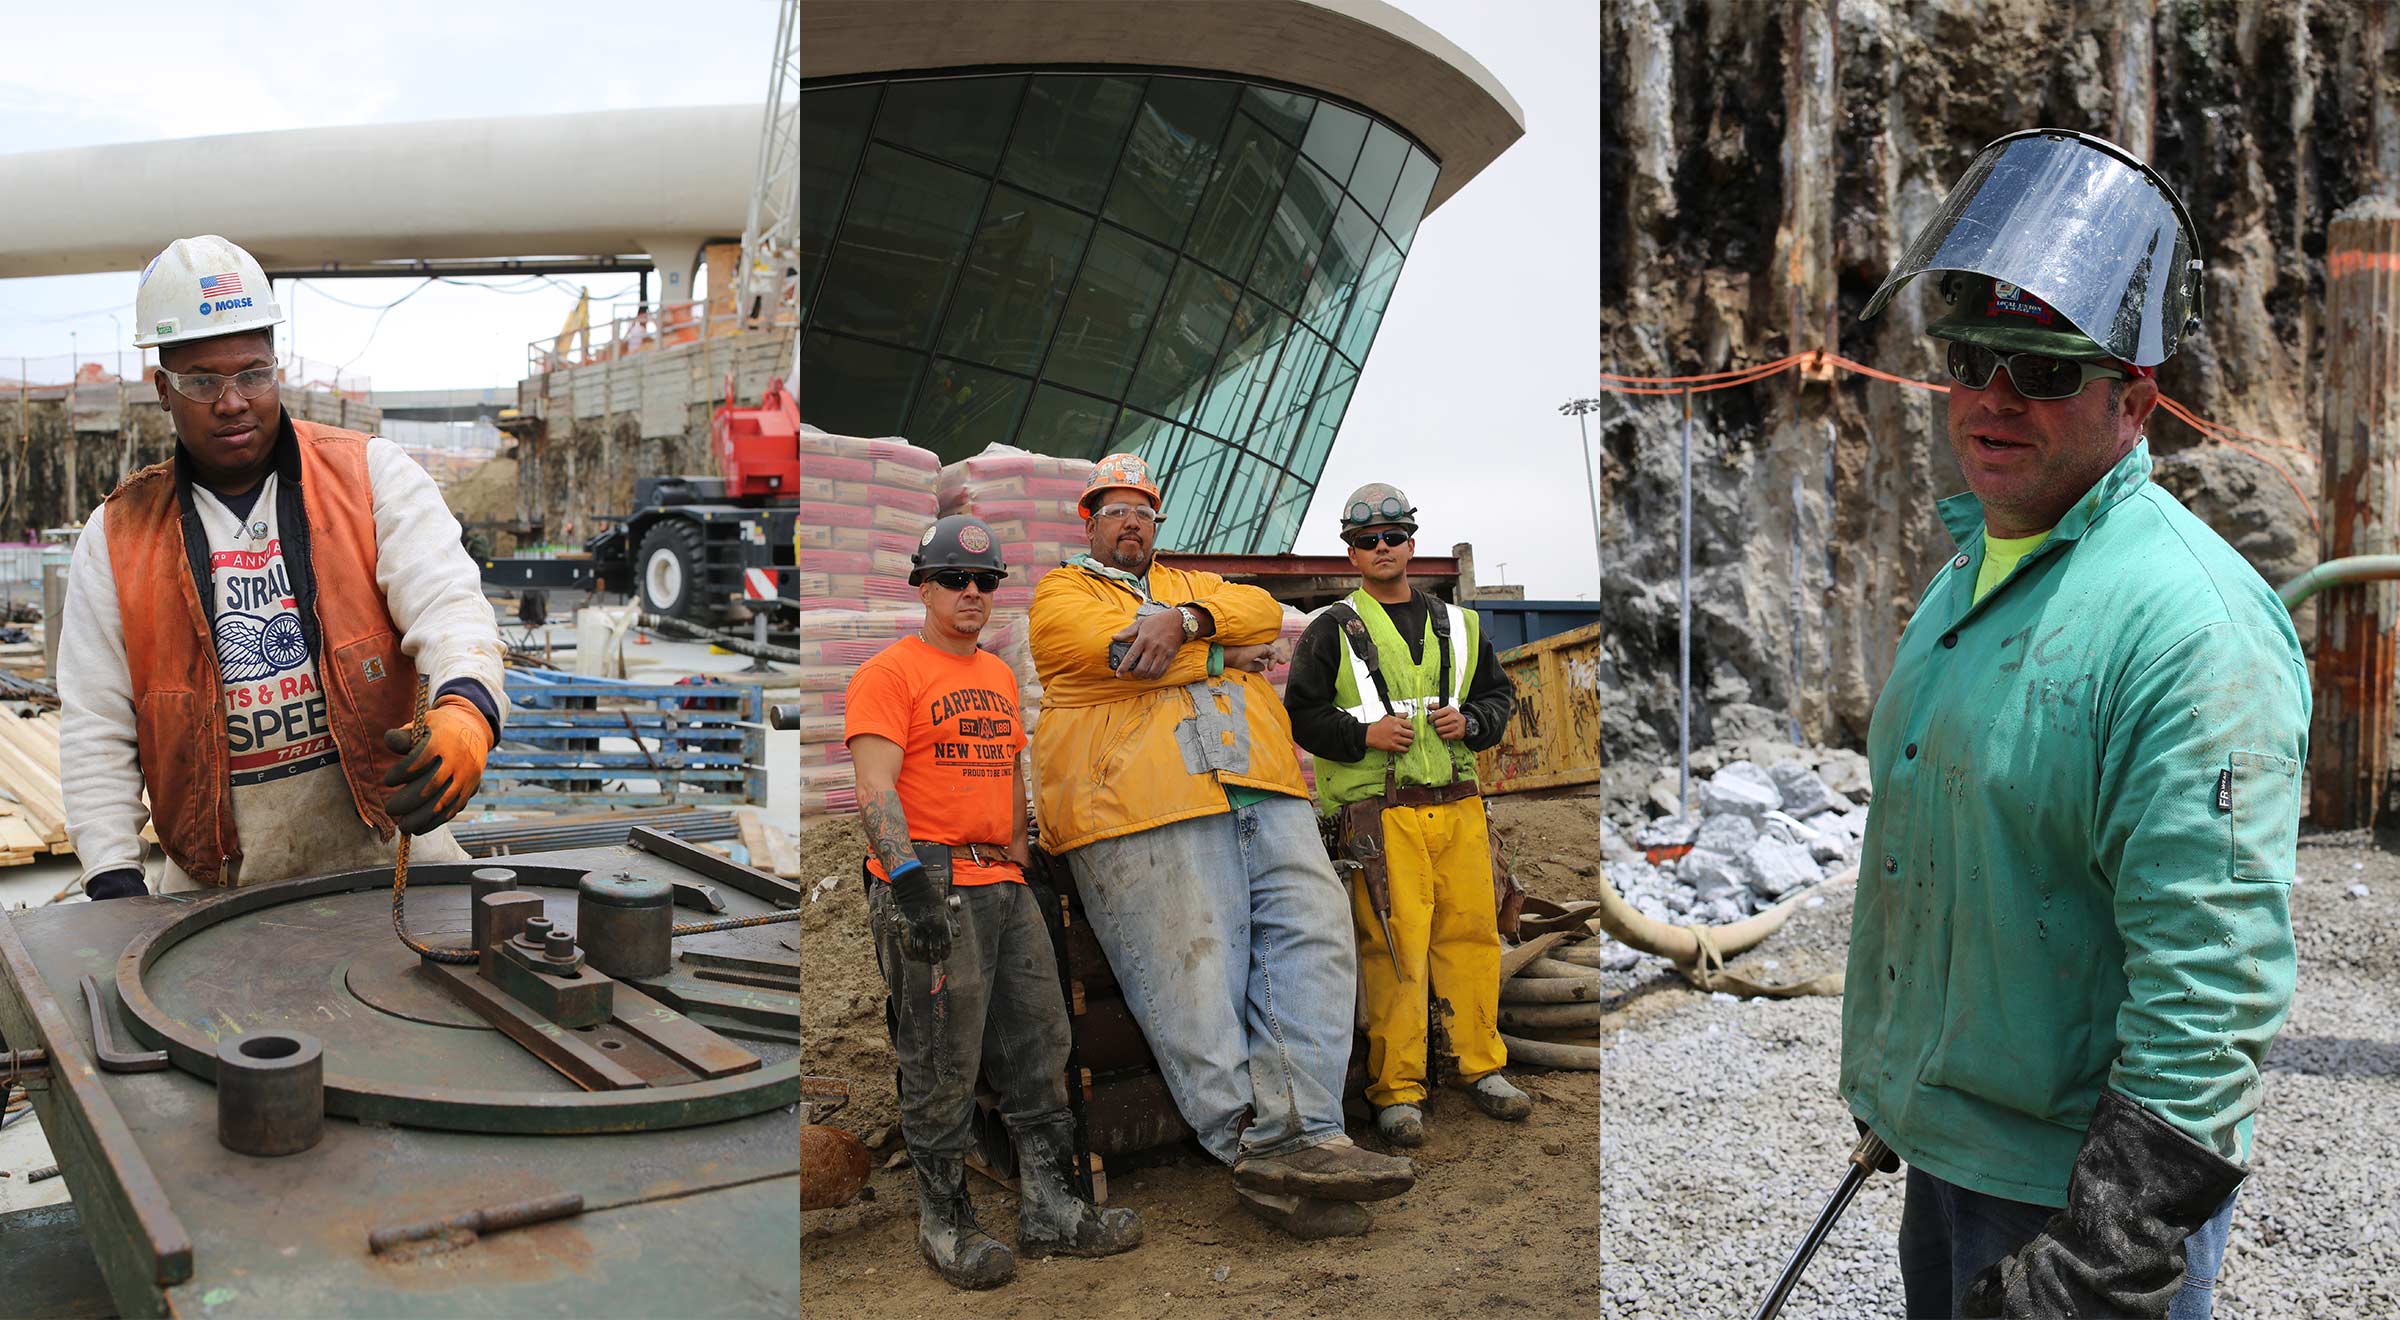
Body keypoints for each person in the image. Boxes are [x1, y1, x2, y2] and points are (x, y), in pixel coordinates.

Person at [1844, 130, 2305, 1319]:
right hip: (1953, 1160)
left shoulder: (2191, 627)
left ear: (2134, 400)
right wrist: (1906, 1092)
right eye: (1973, 357)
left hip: (2071, 1203)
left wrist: (2104, 1257)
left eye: (2043, 372)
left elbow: (2214, 978)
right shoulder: (1976, 574)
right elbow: (1958, 852)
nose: (1993, 398)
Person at [1028, 453, 1415, 1240]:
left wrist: (1193, 623)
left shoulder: (1194, 587)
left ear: (1156, 521)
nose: (1128, 520)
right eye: (1113, 509)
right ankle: (1250, 1145)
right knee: (1193, 970)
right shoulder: (1059, 593)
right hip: (1138, 806)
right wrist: (1218, 657)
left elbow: (1262, 614)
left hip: (1260, 788)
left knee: (1314, 939)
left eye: (1141, 508)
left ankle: (1312, 1137)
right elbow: (1104, 653)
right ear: (1088, 522)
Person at [59, 234, 504, 896]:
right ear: (162, 389)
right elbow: (97, 721)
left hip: (391, 865)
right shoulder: (119, 535)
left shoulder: (371, 477)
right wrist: (113, 879)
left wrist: (467, 709)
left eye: (252, 373)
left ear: (277, 367)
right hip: (219, 891)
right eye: (202, 381)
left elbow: (450, 607)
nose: (232, 401)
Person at [845, 514, 1140, 1289]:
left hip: (1000, 883)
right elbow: (874, 787)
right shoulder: (890, 674)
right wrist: (907, 884)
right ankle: (944, 1222)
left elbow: (1007, 775)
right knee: (941, 1060)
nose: (971, 593)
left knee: (1040, 1048)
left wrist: (1022, 859)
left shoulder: (1000, 677)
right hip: (931, 883)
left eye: (984, 582)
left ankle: (1052, 1210)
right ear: (924, 586)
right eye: (954, 579)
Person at [1282, 485, 1527, 1148]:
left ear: (1412, 543)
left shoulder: (1465, 626)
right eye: (1368, 540)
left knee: (1473, 938)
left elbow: (1498, 698)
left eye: (1393, 536)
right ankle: (1397, 1089)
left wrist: (1473, 721)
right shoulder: (1331, 629)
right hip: (1379, 817)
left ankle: (1482, 1067)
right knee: (1393, 950)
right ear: (1352, 553)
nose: (1382, 548)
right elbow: (1301, 715)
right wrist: (1364, 737)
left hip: (1458, 807)